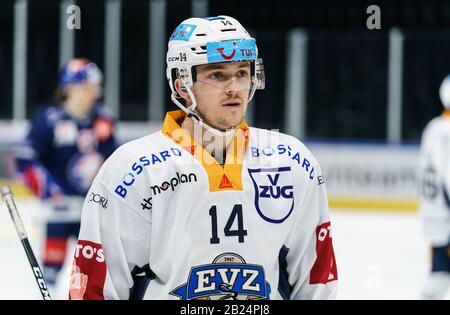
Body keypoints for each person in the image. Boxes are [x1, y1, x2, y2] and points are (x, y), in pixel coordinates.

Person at [70, 16, 337, 300]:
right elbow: (96, 287)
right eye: (217, 75)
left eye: (242, 73)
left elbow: (316, 279)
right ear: (182, 85)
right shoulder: (131, 170)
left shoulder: (292, 161)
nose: (234, 87)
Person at [15, 58, 117, 298]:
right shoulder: (49, 119)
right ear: (73, 87)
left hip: (93, 211)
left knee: (97, 272)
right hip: (60, 211)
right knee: (50, 272)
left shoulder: (103, 119)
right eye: (91, 85)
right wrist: (49, 191)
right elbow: (25, 160)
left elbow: (116, 162)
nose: (96, 91)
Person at [418, 75, 450, 299]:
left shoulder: (432, 127)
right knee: (440, 277)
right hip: (446, 218)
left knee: (439, 272)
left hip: (432, 215)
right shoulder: (447, 132)